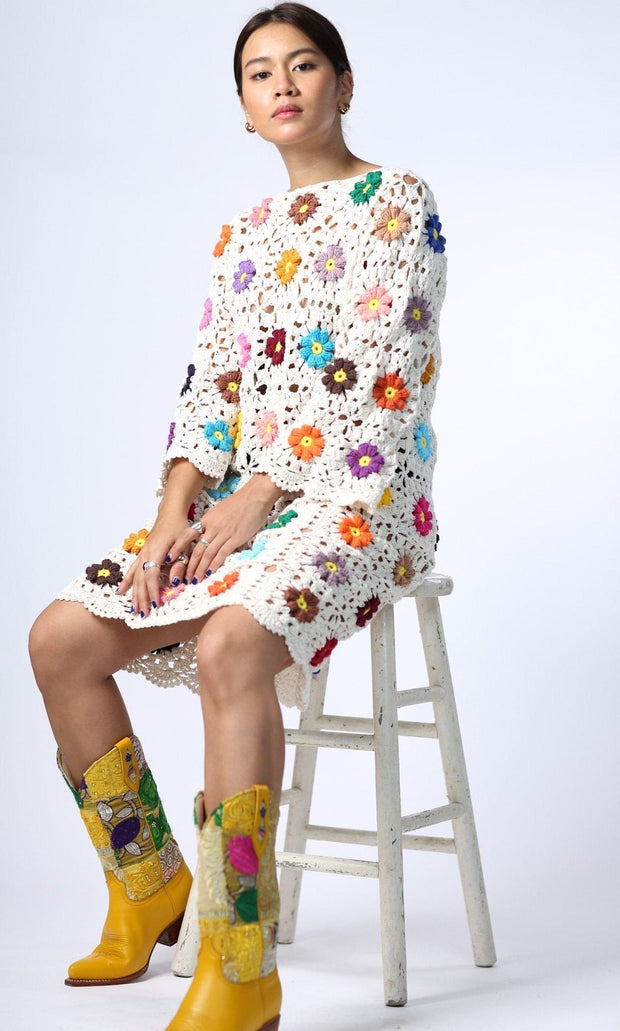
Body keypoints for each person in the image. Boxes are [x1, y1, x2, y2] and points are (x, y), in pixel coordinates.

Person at [28, 3, 447, 1028]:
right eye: (261, 73)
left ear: (343, 84)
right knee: (60, 638)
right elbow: (211, 386)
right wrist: (174, 510)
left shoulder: (397, 201)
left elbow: (386, 380)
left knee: (228, 643)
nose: (283, 85)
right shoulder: (244, 234)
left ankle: (241, 957)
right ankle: (148, 884)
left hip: (364, 499)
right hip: (237, 504)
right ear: (244, 106)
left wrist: (264, 493)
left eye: (303, 65)